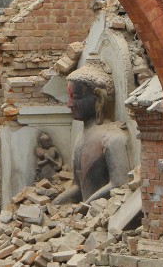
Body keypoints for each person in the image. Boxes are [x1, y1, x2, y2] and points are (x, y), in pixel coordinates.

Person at [53, 58, 130, 205]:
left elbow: (119, 184)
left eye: (75, 97)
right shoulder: (79, 139)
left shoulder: (112, 138)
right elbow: (78, 187)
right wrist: (56, 204)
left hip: (103, 214)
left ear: (99, 98)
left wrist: (87, 207)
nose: (69, 104)